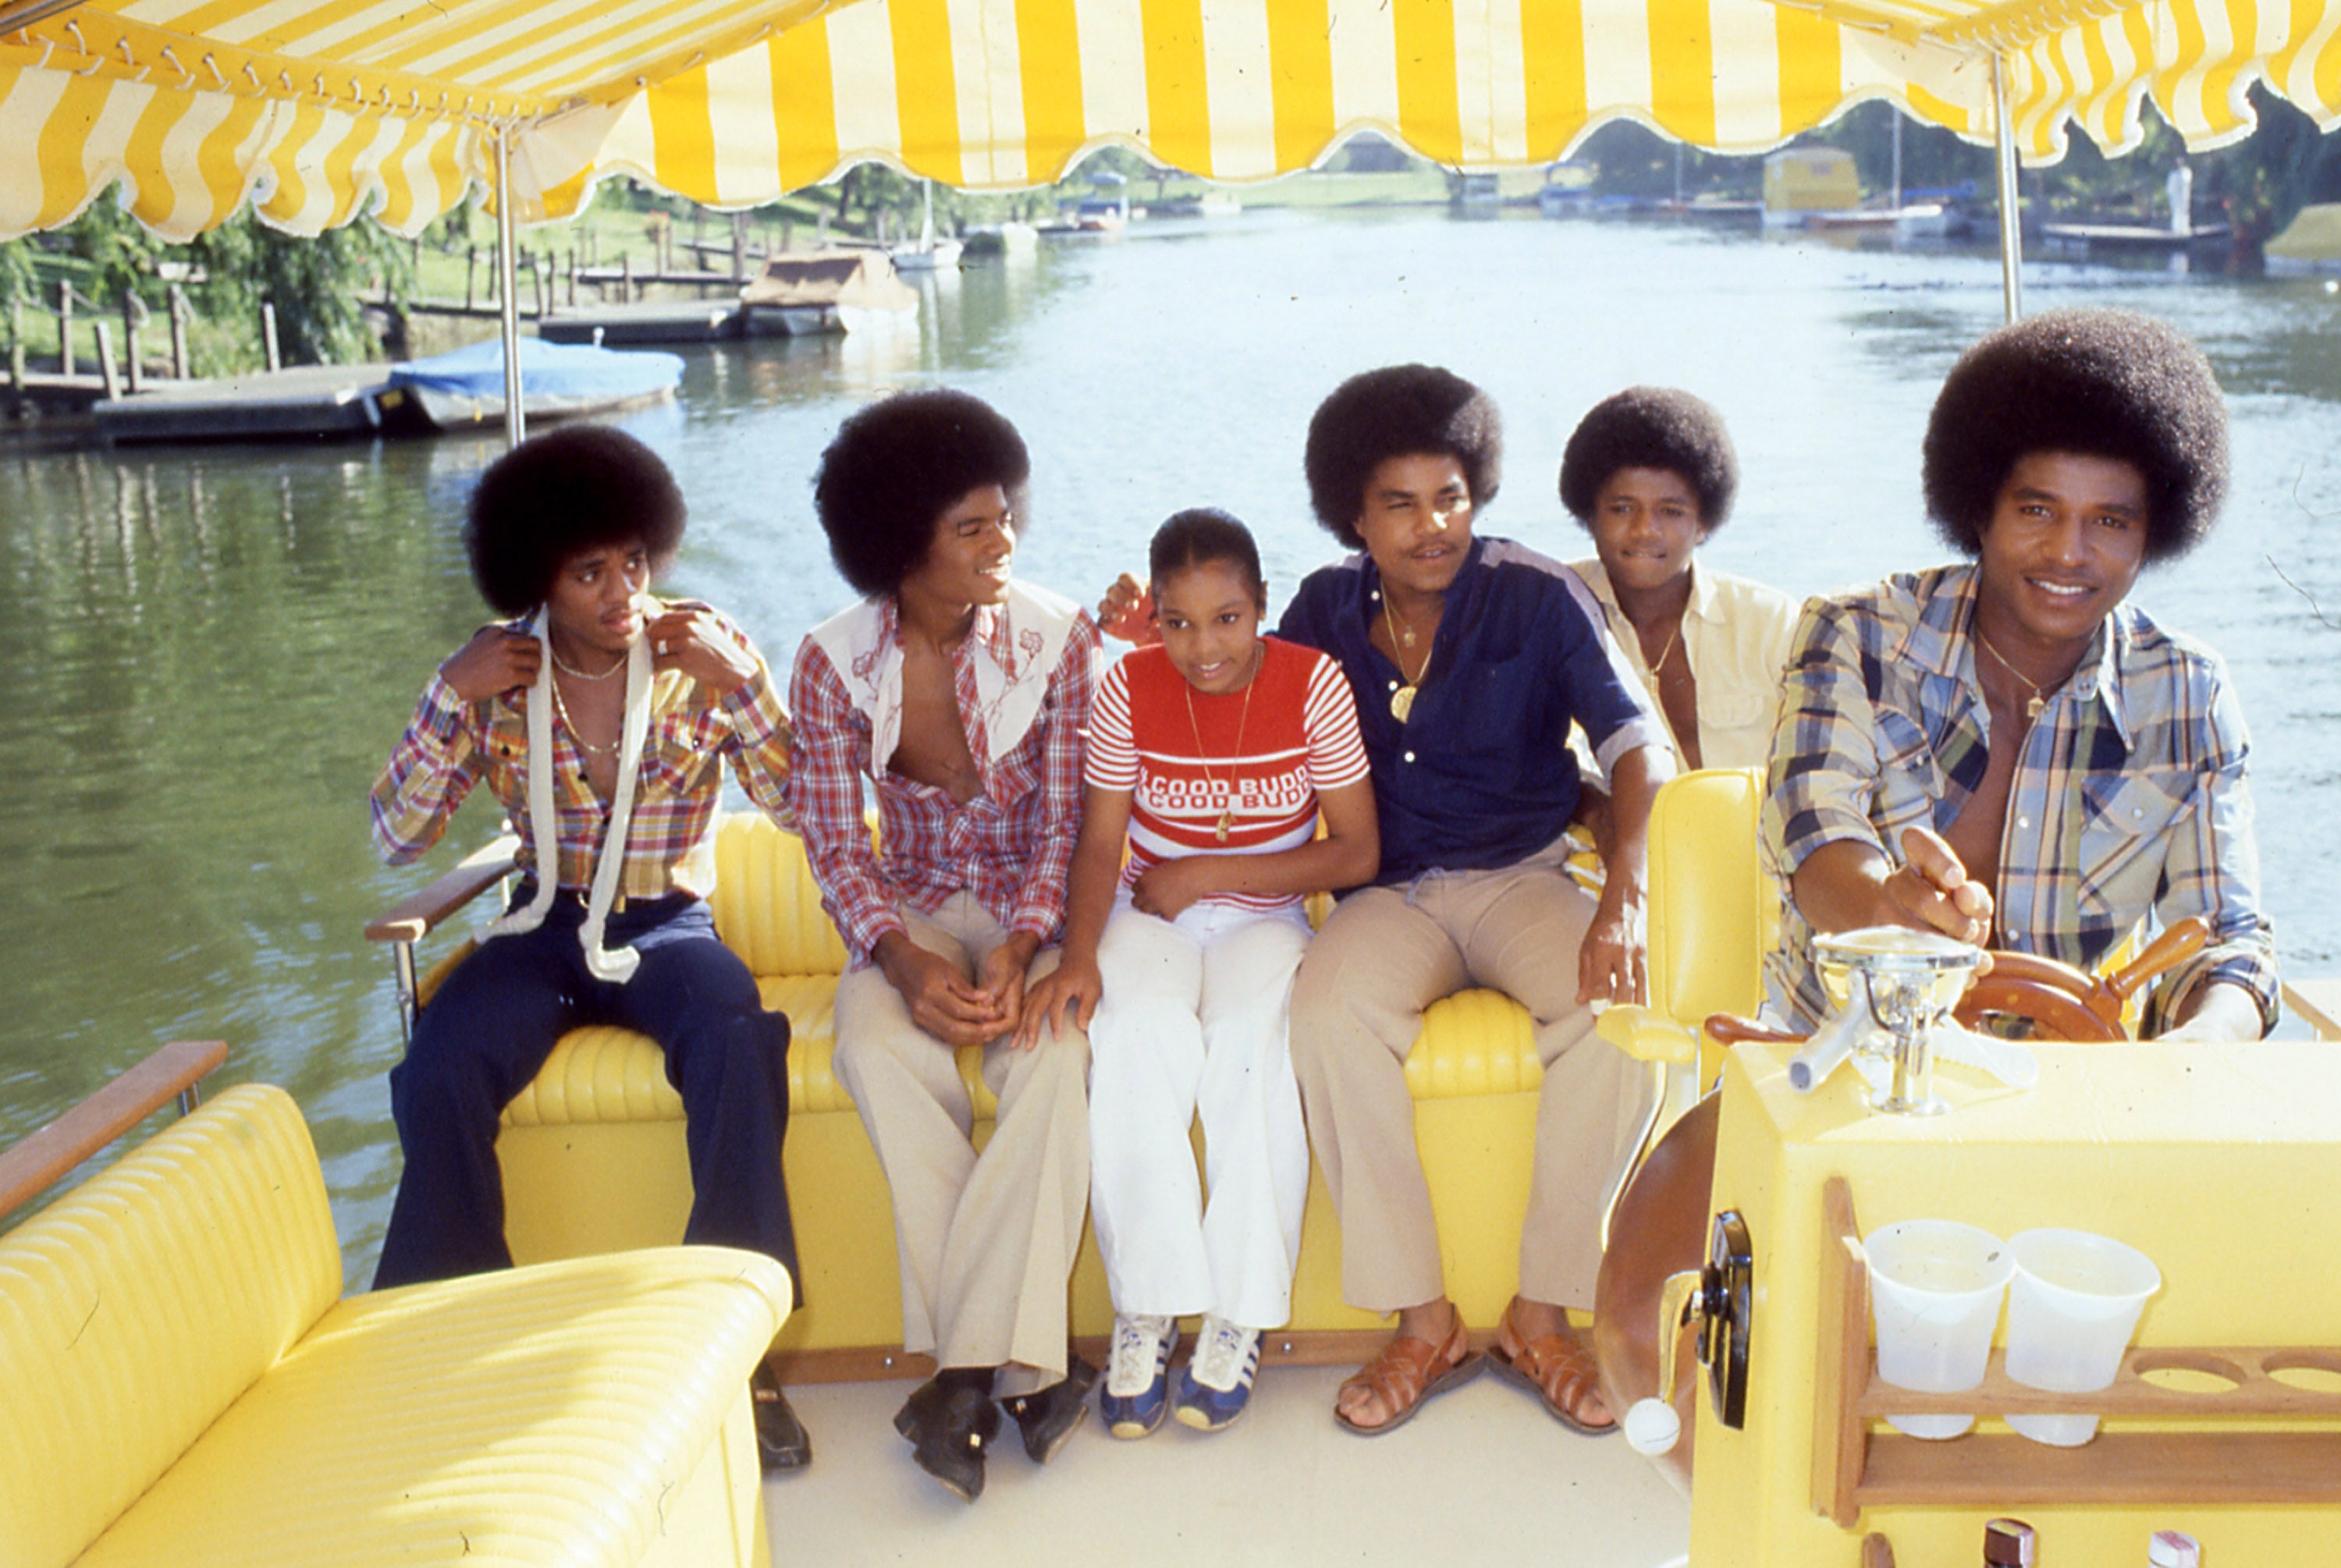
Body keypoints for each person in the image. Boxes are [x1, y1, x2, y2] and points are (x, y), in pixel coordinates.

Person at [368, 424, 808, 1470]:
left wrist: (746, 686)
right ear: (539, 581)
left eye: (636, 561)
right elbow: (399, 838)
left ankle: (741, 1358)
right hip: (541, 930)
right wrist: (446, 695)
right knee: (441, 1065)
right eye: (590, 571)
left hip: (666, 927)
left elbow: (807, 813)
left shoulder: (702, 659)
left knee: (740, 1042)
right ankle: (451, 1337)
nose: (624, 591)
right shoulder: (498, 672)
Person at [1275, 364, 1675, 1436]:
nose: (1431, 525)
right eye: (1399, 503)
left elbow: (1637, 747)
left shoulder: (1541, 593)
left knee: (1626, 1018)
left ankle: (1543, 1316)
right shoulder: (1318, 609)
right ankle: (1426, 1320)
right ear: (1352, 515)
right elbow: (1242, 729)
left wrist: (1624, 902)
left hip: (1522, 875)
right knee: (1322, 1013)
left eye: (1449, 495)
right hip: (1390, 891)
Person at [1764, 307, 2277, 1039]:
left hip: (2070, 1099)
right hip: (1838, 1064)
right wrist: (1887, 908)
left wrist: (2200, 1045)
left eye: (2110, 521)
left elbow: (2228, 941)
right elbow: (1814, 839)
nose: (2069, 552)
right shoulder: (1858, 636)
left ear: (2152, 533)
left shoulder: (2188, 693)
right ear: (1978, 509)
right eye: (2038, 509)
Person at [790, 388, 1100, 1502]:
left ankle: (962, 1377)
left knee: (1056, 1059)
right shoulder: (832, 662)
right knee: (874, 1051)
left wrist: (1022, 950)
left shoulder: (1062, 639)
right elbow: (834, 845)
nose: (1002, 542)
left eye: (1004, 515)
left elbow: (1067, 822)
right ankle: (1024, 1380)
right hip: (910, 913)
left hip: (1034, 910)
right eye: (971, 528)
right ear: (898, 540)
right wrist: (903, 960)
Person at [1020, 509, 1379, 1439]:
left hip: (1266, 911)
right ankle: (1148, 1304)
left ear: (1261, 608)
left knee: (1249, 1053)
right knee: (1134, 1041)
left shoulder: (1313, 684)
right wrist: (1082, 955)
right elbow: (1102, 840)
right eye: (1177, 622)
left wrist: (1211, 873)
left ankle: (1237, 1313)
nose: (1202, 646)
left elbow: (1357, 853)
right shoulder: (1128, 685)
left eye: (1226, 619)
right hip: (1147, 911)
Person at [1558, 386, 1798, 772]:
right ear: (1590, 515)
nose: (1644, 530)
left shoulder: (1770, 622)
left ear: (1703, 523)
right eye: (1622, 508)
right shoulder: (1553, 610)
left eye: (1670, 511)